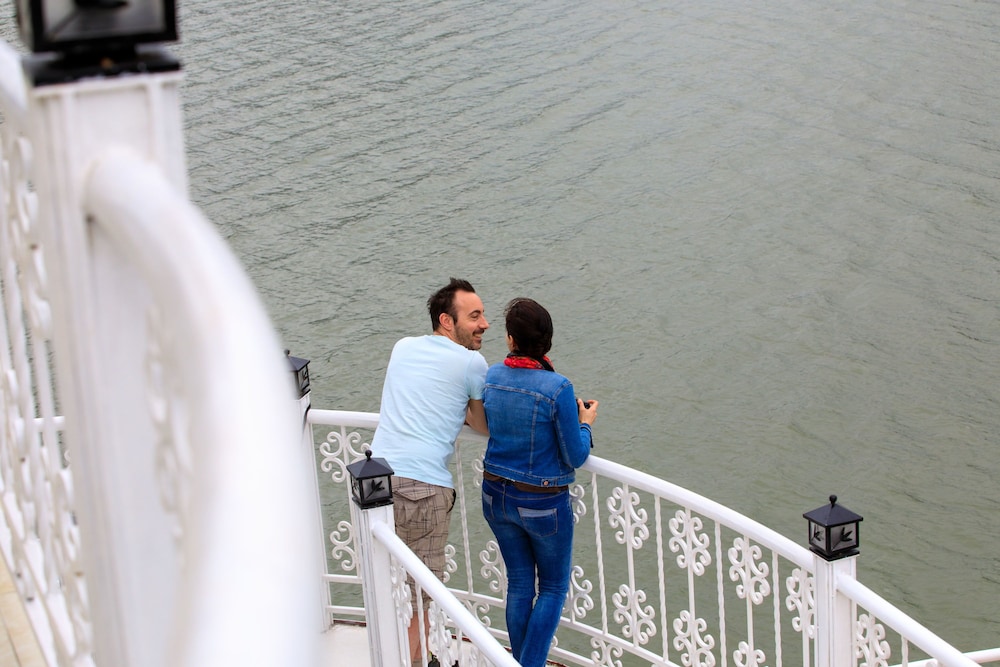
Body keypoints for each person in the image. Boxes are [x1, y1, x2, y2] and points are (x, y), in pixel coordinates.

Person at [370, 277, 490, 666]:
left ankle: (409, 656)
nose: (485, 324)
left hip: (377, 481)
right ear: (446, 320)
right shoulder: (473, 363)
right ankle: (413, 661)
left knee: (385, 585)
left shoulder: (402, 347)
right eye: (474, 316)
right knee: (422, 592)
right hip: (423, 488)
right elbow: (482, 424)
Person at [481, 298, 597, 667]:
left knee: (519, 583)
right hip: (541, 503)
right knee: (552, 588)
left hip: (495, 494)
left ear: (511, 339)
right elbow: (575, 455)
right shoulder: (557, 387)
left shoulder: (493, 376)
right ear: (547, 340)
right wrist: (585, 423)